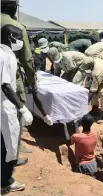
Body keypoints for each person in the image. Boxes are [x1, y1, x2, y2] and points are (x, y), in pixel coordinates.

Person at [2, 0, 52, 166]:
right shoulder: (16, 27)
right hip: (10, 79)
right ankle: (11, 159)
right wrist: (32, 82)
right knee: (13, 118)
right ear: (14, 8)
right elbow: (27, 59)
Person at [1, 24, 34, 193]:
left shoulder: (6, 54)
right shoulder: (4, 56)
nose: (21, 42)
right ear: (11, 38)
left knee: (3, 143)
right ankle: (5, 181)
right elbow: (6, 86)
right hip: (4, 107)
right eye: (20, 39)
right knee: (9, 143)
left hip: (4, 106)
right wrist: (22, 108)